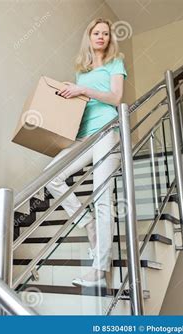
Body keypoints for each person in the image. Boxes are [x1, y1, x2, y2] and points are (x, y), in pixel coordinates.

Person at [44, 18, 127, 287]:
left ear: (109, 38)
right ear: (89, 37)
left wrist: (84, 89)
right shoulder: (82, 70)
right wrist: (74, 92)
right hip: (83, 137)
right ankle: (87, 223)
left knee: (103, 197)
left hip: (106, 132)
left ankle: (100, 268)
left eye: (105, 33)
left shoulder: (116, 63)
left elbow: (115, 98)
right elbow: (83, 103)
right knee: (51, 176)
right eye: (96, 32)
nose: (101, 36)